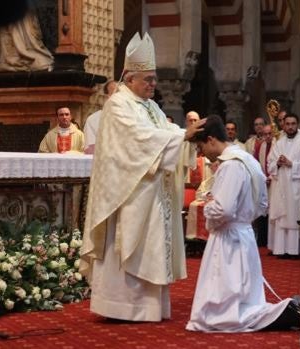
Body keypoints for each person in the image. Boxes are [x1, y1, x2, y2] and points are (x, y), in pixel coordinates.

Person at [79, 32, 203, 322]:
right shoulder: (118, 104)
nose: (153, 84)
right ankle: (120, 306)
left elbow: (165, 131)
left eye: (154, 78)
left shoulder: (150, 106)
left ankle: (147, 307)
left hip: (151, 192)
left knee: (151, 247)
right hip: (129, 194)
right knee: (128, 248)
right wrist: (181, 135)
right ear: (130, 78)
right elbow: (137, 138)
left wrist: (188, 136)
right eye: (148, 79)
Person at [186, 115, 300, 332]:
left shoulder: (230, 166)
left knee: (224, 308)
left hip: (229, 238)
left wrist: (210, 204)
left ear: (211, 139)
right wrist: (244, 218)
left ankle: (287, 311)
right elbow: (262, 203)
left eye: (201, 146)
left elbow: (224, 209)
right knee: (241, 295)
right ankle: (287, 312)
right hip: (243, 232)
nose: (201, 153)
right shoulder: (248, 160)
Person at [267, 114, 300, 257]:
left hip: (296, 185)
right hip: (281, 185)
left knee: (295, 215)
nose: (290, 126)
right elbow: (270, 163)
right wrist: (277, 163)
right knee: (281, 216)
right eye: (287, 124)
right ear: (283, 126)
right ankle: (281, 249)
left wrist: (292, 164)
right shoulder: (278, 143)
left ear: (298, 124)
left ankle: (296, 249)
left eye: (293, 123)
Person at [83, 80, 118, 154]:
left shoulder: (133, 118)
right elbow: (91, 151)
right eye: (116, 93)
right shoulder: (93, 120)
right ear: (106, 97)